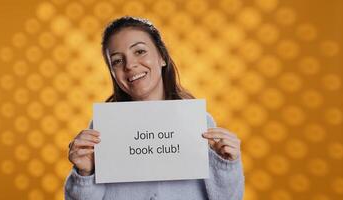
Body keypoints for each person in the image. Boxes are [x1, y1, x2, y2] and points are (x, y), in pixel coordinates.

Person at [64, 16, 244, 200]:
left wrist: (227, 165)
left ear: (162, 57)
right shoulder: (102, 129)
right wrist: (84, 174)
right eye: (117, 61)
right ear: (112, 73)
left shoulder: (199, 122)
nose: (130, 65)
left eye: (140, 51)